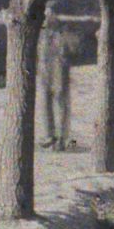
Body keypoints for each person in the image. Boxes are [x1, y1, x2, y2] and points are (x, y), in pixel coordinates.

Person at [38, 17, 74, 151]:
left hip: (59, 73)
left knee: (61, 104)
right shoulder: (41, 37)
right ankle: (49, 135)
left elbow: (70, 52)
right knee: (45, 103)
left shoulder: (61, 36)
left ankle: (62, 137)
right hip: (45, 73)